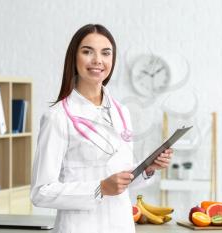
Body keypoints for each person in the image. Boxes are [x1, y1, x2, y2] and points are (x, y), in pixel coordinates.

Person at [30, 24, 173, 233]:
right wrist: (99, 189)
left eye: (106, 53)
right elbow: (41, 192)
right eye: (88, 51)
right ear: (74, 58)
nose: (98, 60)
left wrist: (148, 168)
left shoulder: (121, 112)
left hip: (121, 225)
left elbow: (120, 181)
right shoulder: (57, 117)